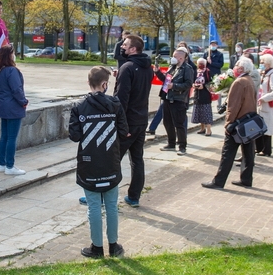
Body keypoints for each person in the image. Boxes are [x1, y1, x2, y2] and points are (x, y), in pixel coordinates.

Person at [70, 66, 129, 258]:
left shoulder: (78, 107)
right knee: (111, 205)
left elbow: (75, 136)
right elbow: (123, 131)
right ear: (105, 84)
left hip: (89, 163)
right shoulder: (115, 104)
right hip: (111, 161)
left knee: (94, 206)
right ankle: (113, 246)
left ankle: (96, 247)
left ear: (89, 83)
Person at [202, 62, 258, 189]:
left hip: (238, 122)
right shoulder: (249, 80)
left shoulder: (239, 82)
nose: (234, 67)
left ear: (242, 68)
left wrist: (228, 123)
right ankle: (246, 179)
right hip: (249, 121)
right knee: (248, 152)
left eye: (237, 65)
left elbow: (234, 105)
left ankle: (219, 181)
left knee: (228, 153)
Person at [113, 34, 151, 207]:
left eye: (126, 44)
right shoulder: (146, 67)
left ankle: (103, 195)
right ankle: (134, 196)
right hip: (142, 119)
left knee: (112, 159)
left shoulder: (127, 67)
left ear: (133, 49)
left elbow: (121, 99)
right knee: (137, 159)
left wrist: (120, 124)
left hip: (128, 121)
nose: (122, 46)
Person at [0, 46, 27, 176]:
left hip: (3, 105)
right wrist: (23, 102)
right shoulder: (12, 71)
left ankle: (2, 164)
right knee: (12, 137)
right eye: (13, 53)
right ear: (10, 55)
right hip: (13, 107)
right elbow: (16, 89)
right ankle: (10, 165)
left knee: (4, 136)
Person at [159, 47, 195, 155]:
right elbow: (166, 80)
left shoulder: (187, 69)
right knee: (167, 122)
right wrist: (158, 73)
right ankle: (171, 143)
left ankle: (182, 146)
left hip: (178, 99)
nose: (172, 58)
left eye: (175, 56)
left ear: (181, 58)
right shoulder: (172, 67)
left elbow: (188, 84)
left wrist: (174, 86)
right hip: (167, 97)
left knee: (179, 124)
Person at [256, 54, 273, 157]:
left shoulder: (272, 75)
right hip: (260, 105)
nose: (261, 64)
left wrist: (264, 98)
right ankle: (259, 148)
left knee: (267, 128)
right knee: (259, 127)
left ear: (268, 64)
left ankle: (267, 150)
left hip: (267, 105)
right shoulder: (263, 74)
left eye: (262, 62)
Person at [192, 57, 214, 136]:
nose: (200, 65)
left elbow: (211, 83)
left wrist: (203, 86)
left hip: (205, 95)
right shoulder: (195, 71)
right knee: (200, 112)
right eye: (199, 63)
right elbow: (192, 80)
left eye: (202, 63)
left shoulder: (207, 72)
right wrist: (194, 85)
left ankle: (208, 129)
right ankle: (202, 128)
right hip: (197, 94)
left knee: (206, 112)